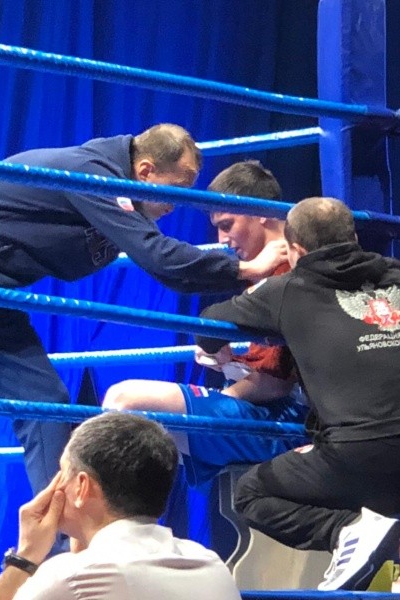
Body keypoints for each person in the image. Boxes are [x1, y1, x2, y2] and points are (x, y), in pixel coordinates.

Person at [0, 125, 284, 507]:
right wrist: (247, 270)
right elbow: (159, 257)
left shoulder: (115, 187)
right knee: (44, 405)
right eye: (178, 186)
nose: (177, 202)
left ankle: (61, 532)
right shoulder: (96, 177)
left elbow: (166, 269)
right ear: (145, 171)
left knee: (45, 404)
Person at [194, 196, 400, 591]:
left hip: (358, 456)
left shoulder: (289, 288)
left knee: (251, 492)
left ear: (296, 251)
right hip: (371, 457)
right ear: (354, 238)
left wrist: (217, 348)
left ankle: (348, 531)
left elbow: (209, 325)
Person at [103, 160, 308, 486]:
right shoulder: (267, 269)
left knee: (124, 402)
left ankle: (105, 514)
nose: (222, 239)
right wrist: (231, 362)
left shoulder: (289, 271)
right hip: (277, 414)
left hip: (289, 423)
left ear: (260, 212)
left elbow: (276, 384)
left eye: (227, 225)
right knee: (138, 431)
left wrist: (223, 396)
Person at [0, 412, 241, 600]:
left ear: (82, 486)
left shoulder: (73, 577)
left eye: (62, 472)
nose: (55, 486)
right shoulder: (211, 563)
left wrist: (25, 557)